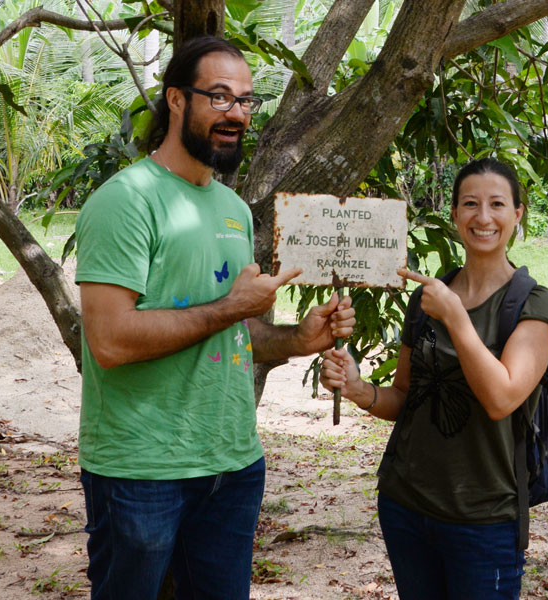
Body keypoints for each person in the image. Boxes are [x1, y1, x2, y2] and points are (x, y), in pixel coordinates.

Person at [73, 35, 355, 600]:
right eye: (220, 98)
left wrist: (300, 338)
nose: (237, 115)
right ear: (176, 100)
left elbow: (238, 328)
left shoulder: (229, 207)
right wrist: (233, 307)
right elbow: (109, 342)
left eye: (247, 101)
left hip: (232, 464)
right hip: (141, 469)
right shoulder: (126, 201)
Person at [320, 157, 548, 599]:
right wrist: (356, 388)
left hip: (485, 519)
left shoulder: (535, 303)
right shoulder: (426, 300)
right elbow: (405, 399)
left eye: (497, 204)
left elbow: (501, 398)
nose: (483, 217)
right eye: (470, 204)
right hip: (406, 505)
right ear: (454, 215)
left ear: (517, 214)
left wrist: (456, 317)